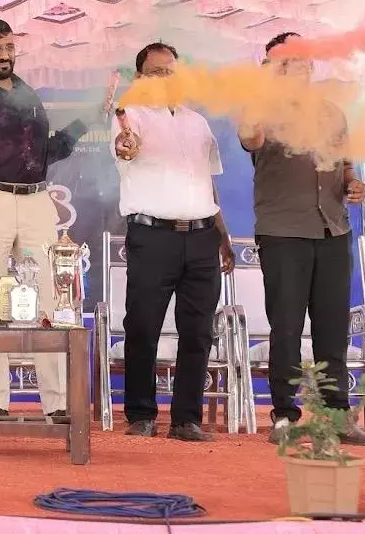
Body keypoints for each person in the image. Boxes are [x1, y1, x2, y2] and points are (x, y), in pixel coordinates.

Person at [240, 32, 365, 446]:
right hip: (284, 232)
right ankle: (284, 415)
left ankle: (337, 416)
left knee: (333, 328)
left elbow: (346, 167)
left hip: (333, 229)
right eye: (287, 60)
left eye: (303, 58)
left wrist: (354, 185)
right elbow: (250, 138)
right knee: (286, 327)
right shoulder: (260, 109)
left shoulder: (332, 112)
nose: (298, 66)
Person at [0, 18, 87, 417]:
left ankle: (57, 403)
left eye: (8, 47)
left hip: (38, 200)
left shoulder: (29, 95)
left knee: (51, 295)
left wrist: (85, 123)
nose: (4, 55)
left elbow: (46, 153)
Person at [114, 43, 235, 440]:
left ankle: (187, 419)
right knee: (143, 326)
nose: (165, 79)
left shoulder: (197, 122)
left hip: (202, 236)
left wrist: (223, 235)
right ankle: (141, 415)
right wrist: (126, 145)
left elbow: (208, 183)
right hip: (153, 236)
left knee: (198, 331)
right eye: (156, 72)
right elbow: (126, 147)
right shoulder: (129, 116)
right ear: (140, 77)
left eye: (171, 71)